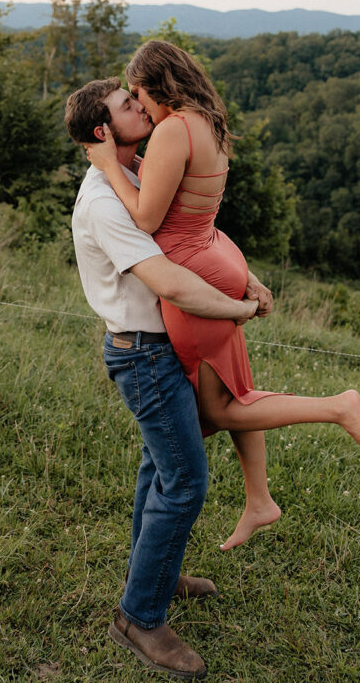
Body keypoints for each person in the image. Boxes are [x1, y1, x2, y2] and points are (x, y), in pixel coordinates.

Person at [86, 40, 360, 551]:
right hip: (215, 250)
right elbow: (196, 213)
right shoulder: (207, 121)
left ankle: (337, 406)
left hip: (190, 266)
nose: (140, 105)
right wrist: (241, 277)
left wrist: (109, 166)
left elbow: (149, 220)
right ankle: (259, 498)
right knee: (232, 392)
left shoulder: (174, 131)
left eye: (138, 93)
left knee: (217, 412)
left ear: (158, 84)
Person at [65, 77, 270, 681]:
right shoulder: (105, 200)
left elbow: (195, 229)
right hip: (144, 355)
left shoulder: (134, 177)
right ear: (104, 133)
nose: (142, 105)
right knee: (184, 481)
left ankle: (154, 575)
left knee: (160, 468)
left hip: (164, 348)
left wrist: (246, 277)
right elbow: (171, 281)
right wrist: (239, 310)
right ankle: (139, 617)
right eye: (128, 106)